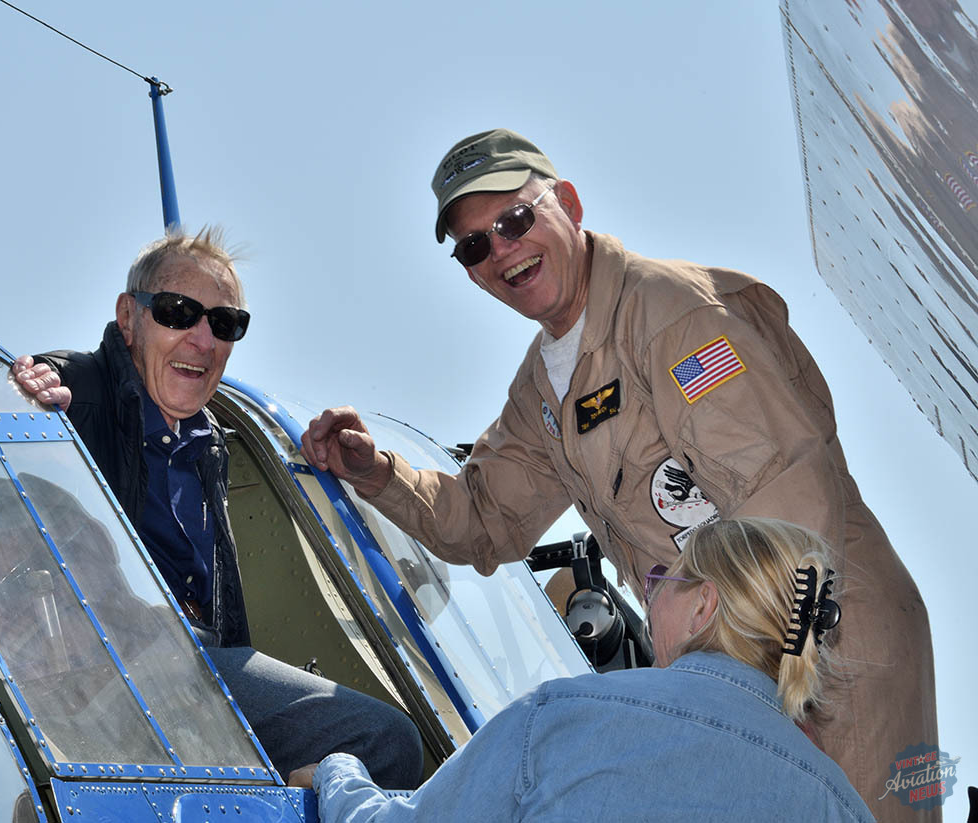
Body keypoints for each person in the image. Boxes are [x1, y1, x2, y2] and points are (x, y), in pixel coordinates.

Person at [301, 129, 937, 819]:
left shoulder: (672, 316)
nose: (502, 250)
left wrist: (778, 689)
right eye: (475, 245)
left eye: (515, 220)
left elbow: (787, 507)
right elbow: (484, 520)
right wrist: (377, 471)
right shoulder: (545, 386)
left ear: (569, 206)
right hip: (734, 681)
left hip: (827, 662)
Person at [12, 227, 421, 788]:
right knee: (383, 741)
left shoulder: (208, 441)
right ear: (128, 318)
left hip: (192, 668)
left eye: (225, 323)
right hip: (115, 675)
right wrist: (30, 385)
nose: (203, 340)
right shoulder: (77, 394)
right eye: (178, 312)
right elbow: (20, 401)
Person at [290, 518, 873, 821]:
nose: (651, 599)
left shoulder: (563, 716)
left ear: (703, 606)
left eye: (664, 580)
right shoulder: (847, 810)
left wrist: (340, 773)